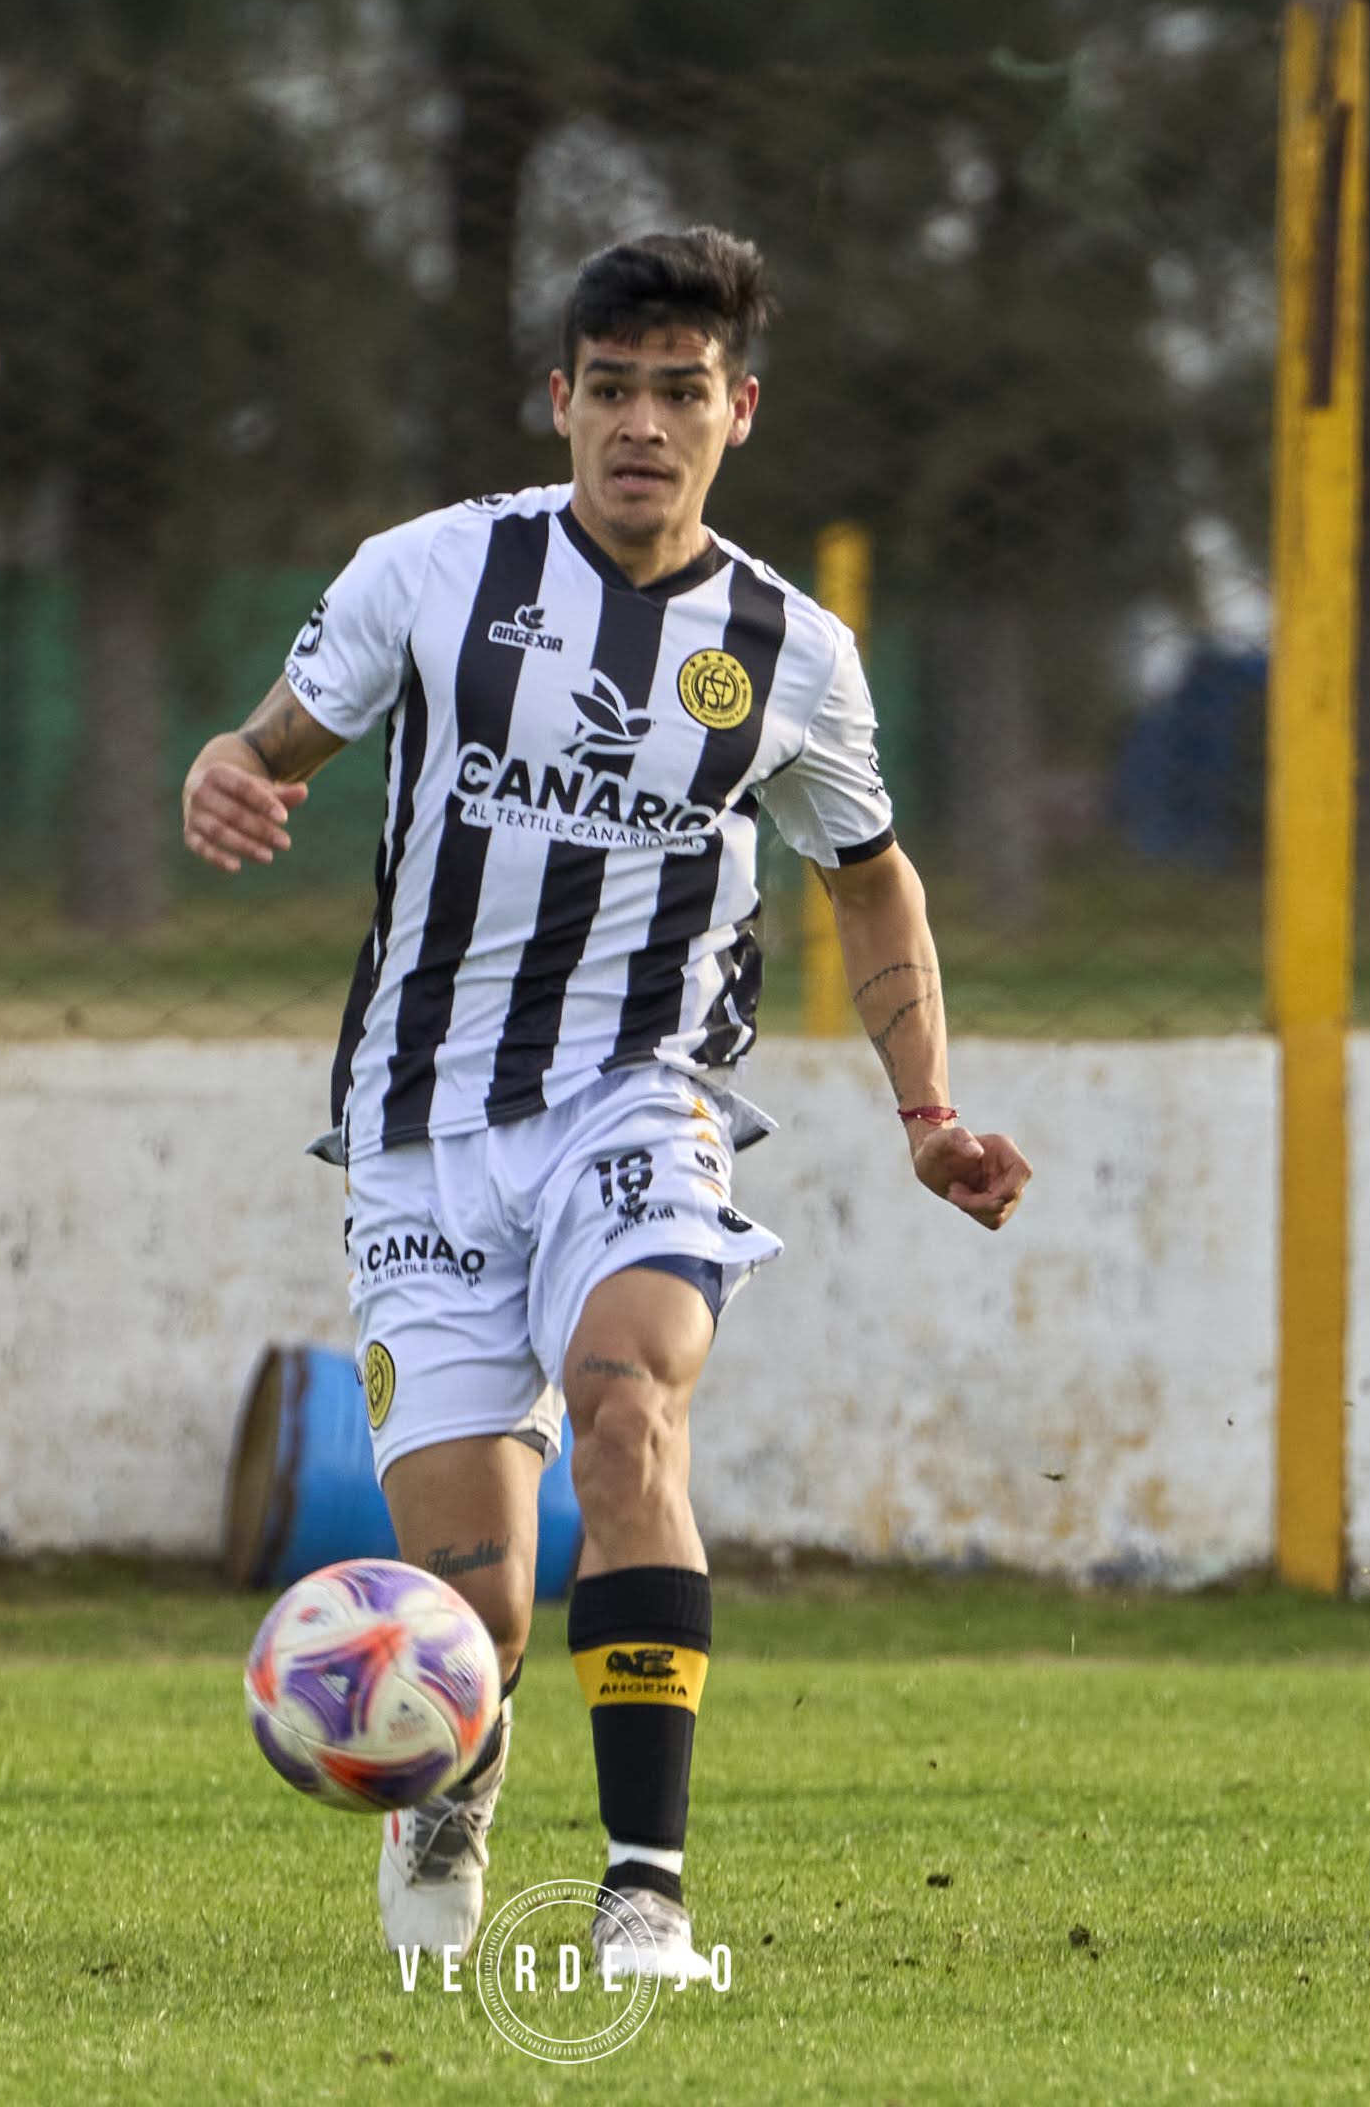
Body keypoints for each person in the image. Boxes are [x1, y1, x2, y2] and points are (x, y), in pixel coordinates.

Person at [180, 229, 1033, 1973]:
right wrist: (225, 769)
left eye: (683, 393)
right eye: (616, 390)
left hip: (638, 1098)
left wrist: (927, 1108)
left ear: (742, 414)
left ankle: (647, 1890)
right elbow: (271, 746)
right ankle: (455, 1775)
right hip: (419, 1126)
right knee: (474, 1610)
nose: (646, 424)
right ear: (562, 401)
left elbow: (872, 882)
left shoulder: (791, 651)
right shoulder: (429, 573)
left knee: (627, 1400)